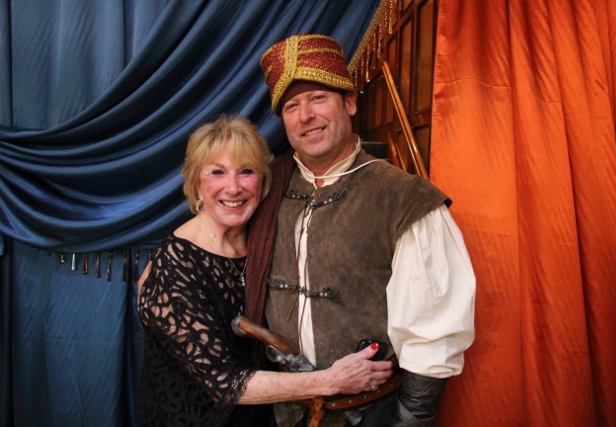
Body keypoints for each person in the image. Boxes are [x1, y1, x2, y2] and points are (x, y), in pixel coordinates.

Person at [245, 34, 476, 426]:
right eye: (292, 106)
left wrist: (410, 420)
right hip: (282, 411)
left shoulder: (404, 198)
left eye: (319, 98)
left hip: (370, 414)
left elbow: (433, 334)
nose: (306, 116)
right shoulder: (263, 189)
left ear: (349, 103)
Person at [136, 115, 394, 427]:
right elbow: (226, 383)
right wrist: (331, 381)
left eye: (246, 171)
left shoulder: (261, 239)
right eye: (217, 172)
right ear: (197, 184)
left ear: (263, 181)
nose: (234, 187)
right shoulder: (173, 266)